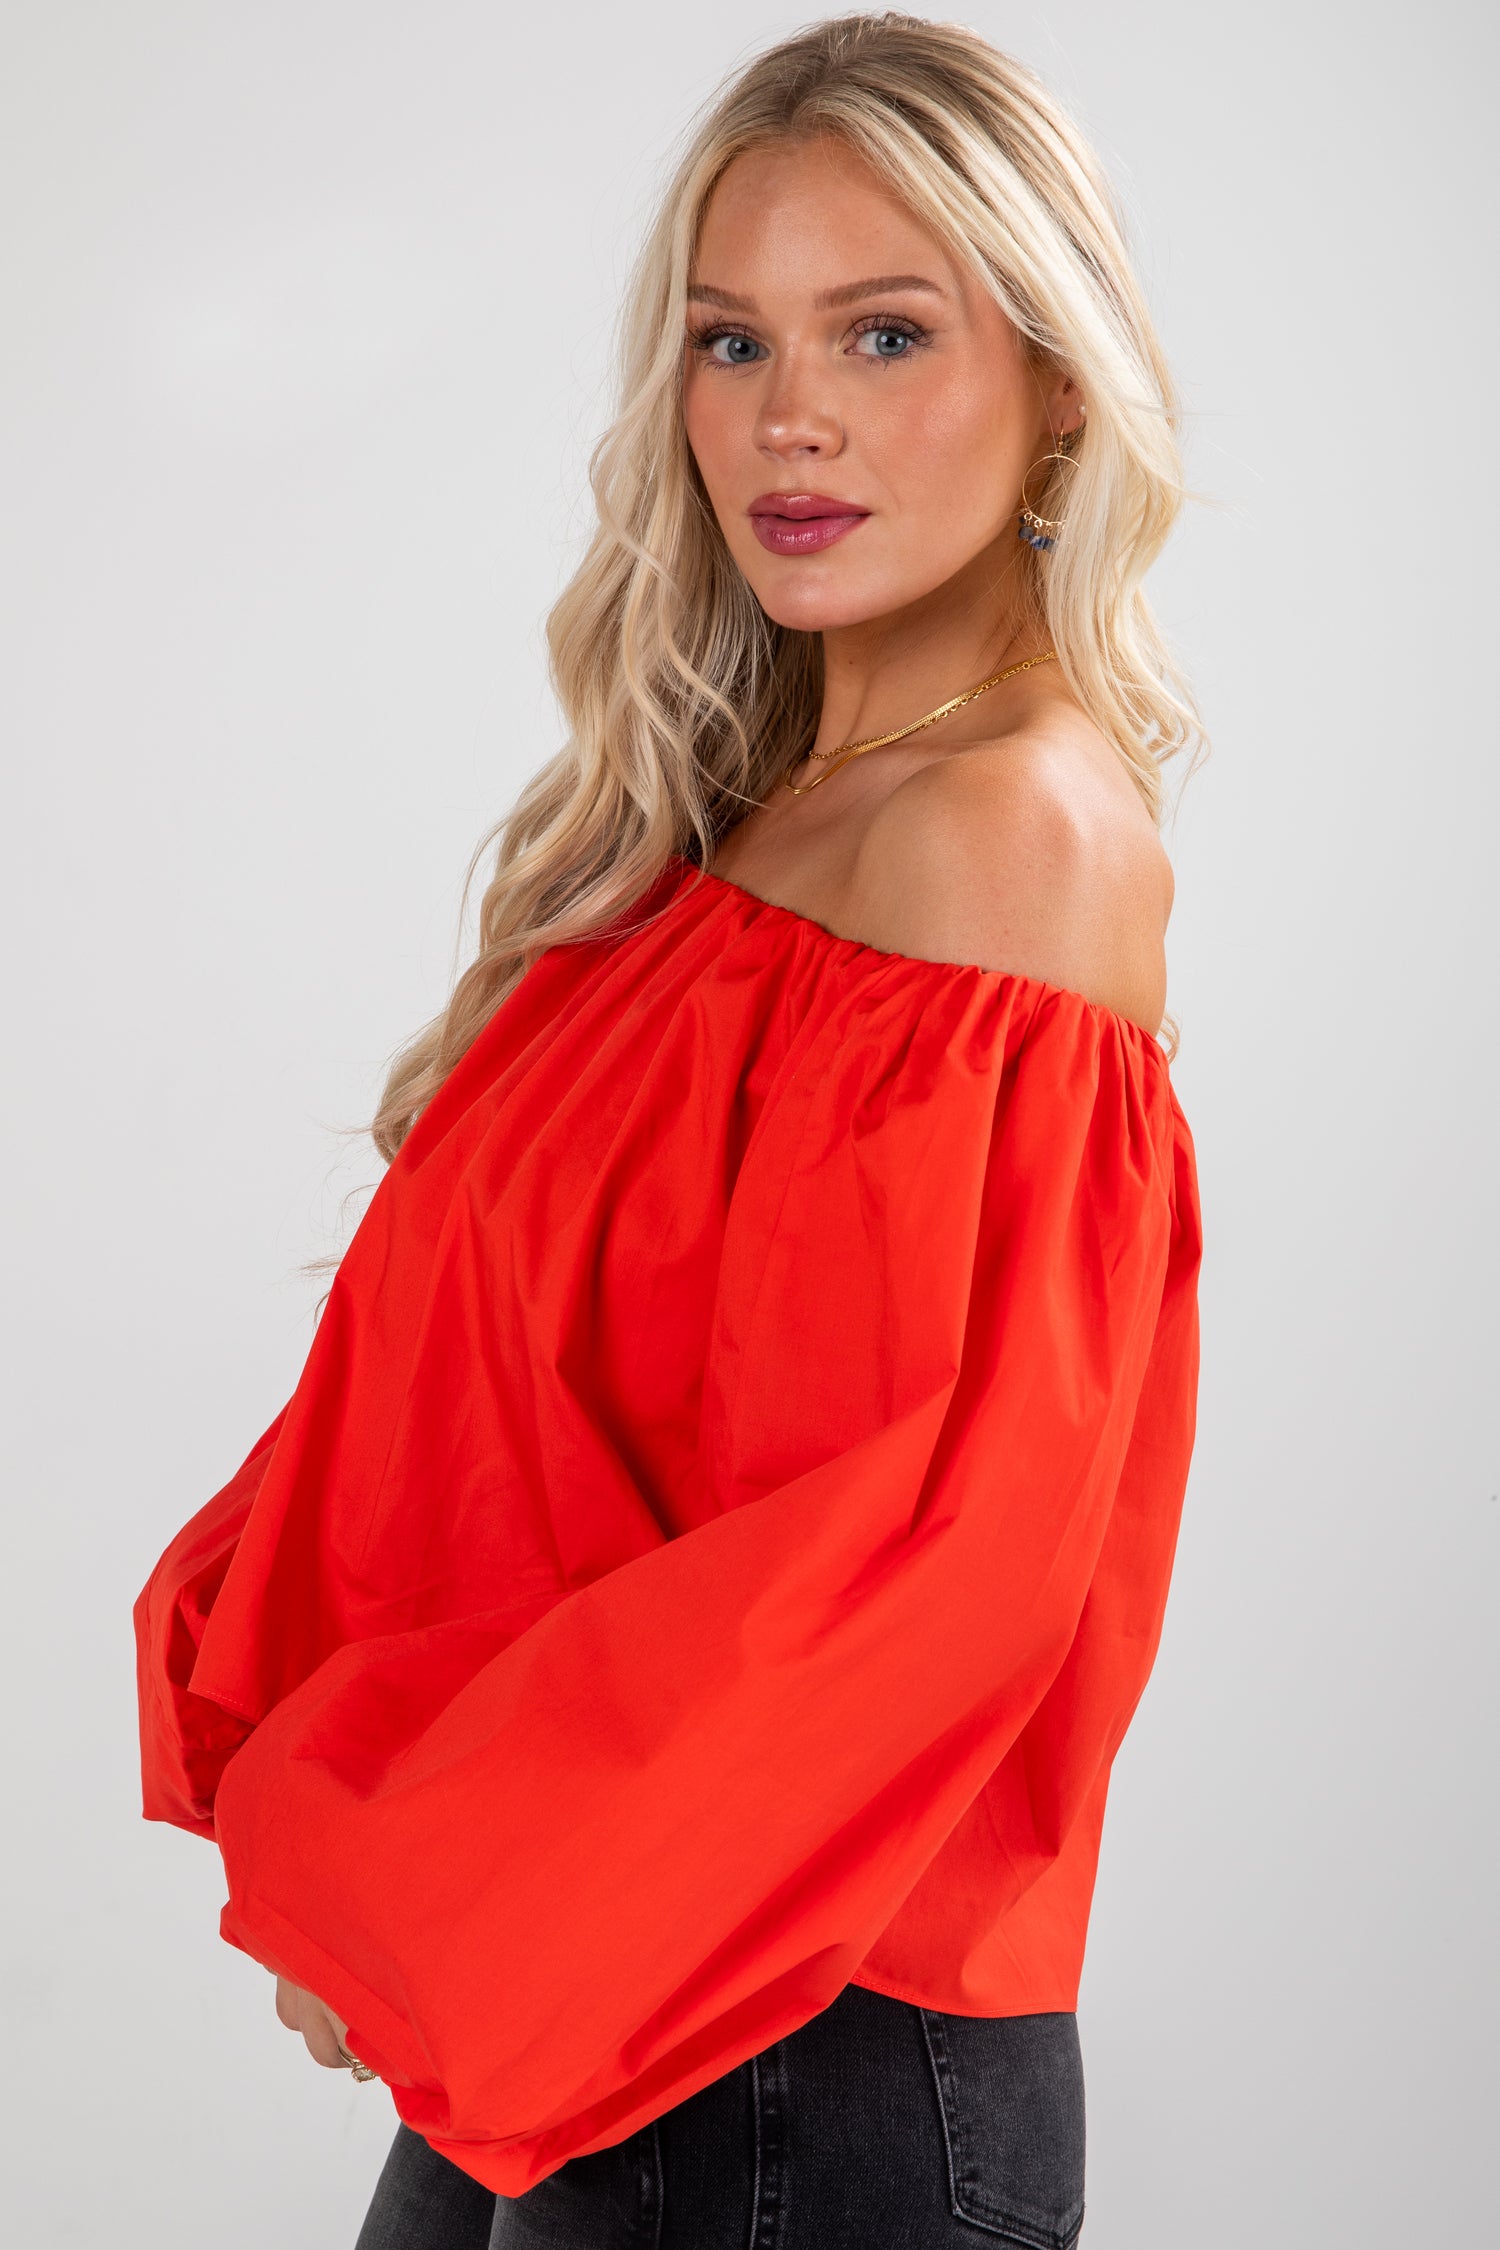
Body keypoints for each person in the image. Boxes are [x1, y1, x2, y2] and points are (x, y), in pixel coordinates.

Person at [132, 14, 1206, 2246]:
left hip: (812, 2035)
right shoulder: (738, 827)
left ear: (1063, 389)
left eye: (884, 332)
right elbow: (508, 1427)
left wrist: (444, 1877)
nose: (787, 416)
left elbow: (900, 1562)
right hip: (600, 1999)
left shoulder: (1010, 828)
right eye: (734, 341)